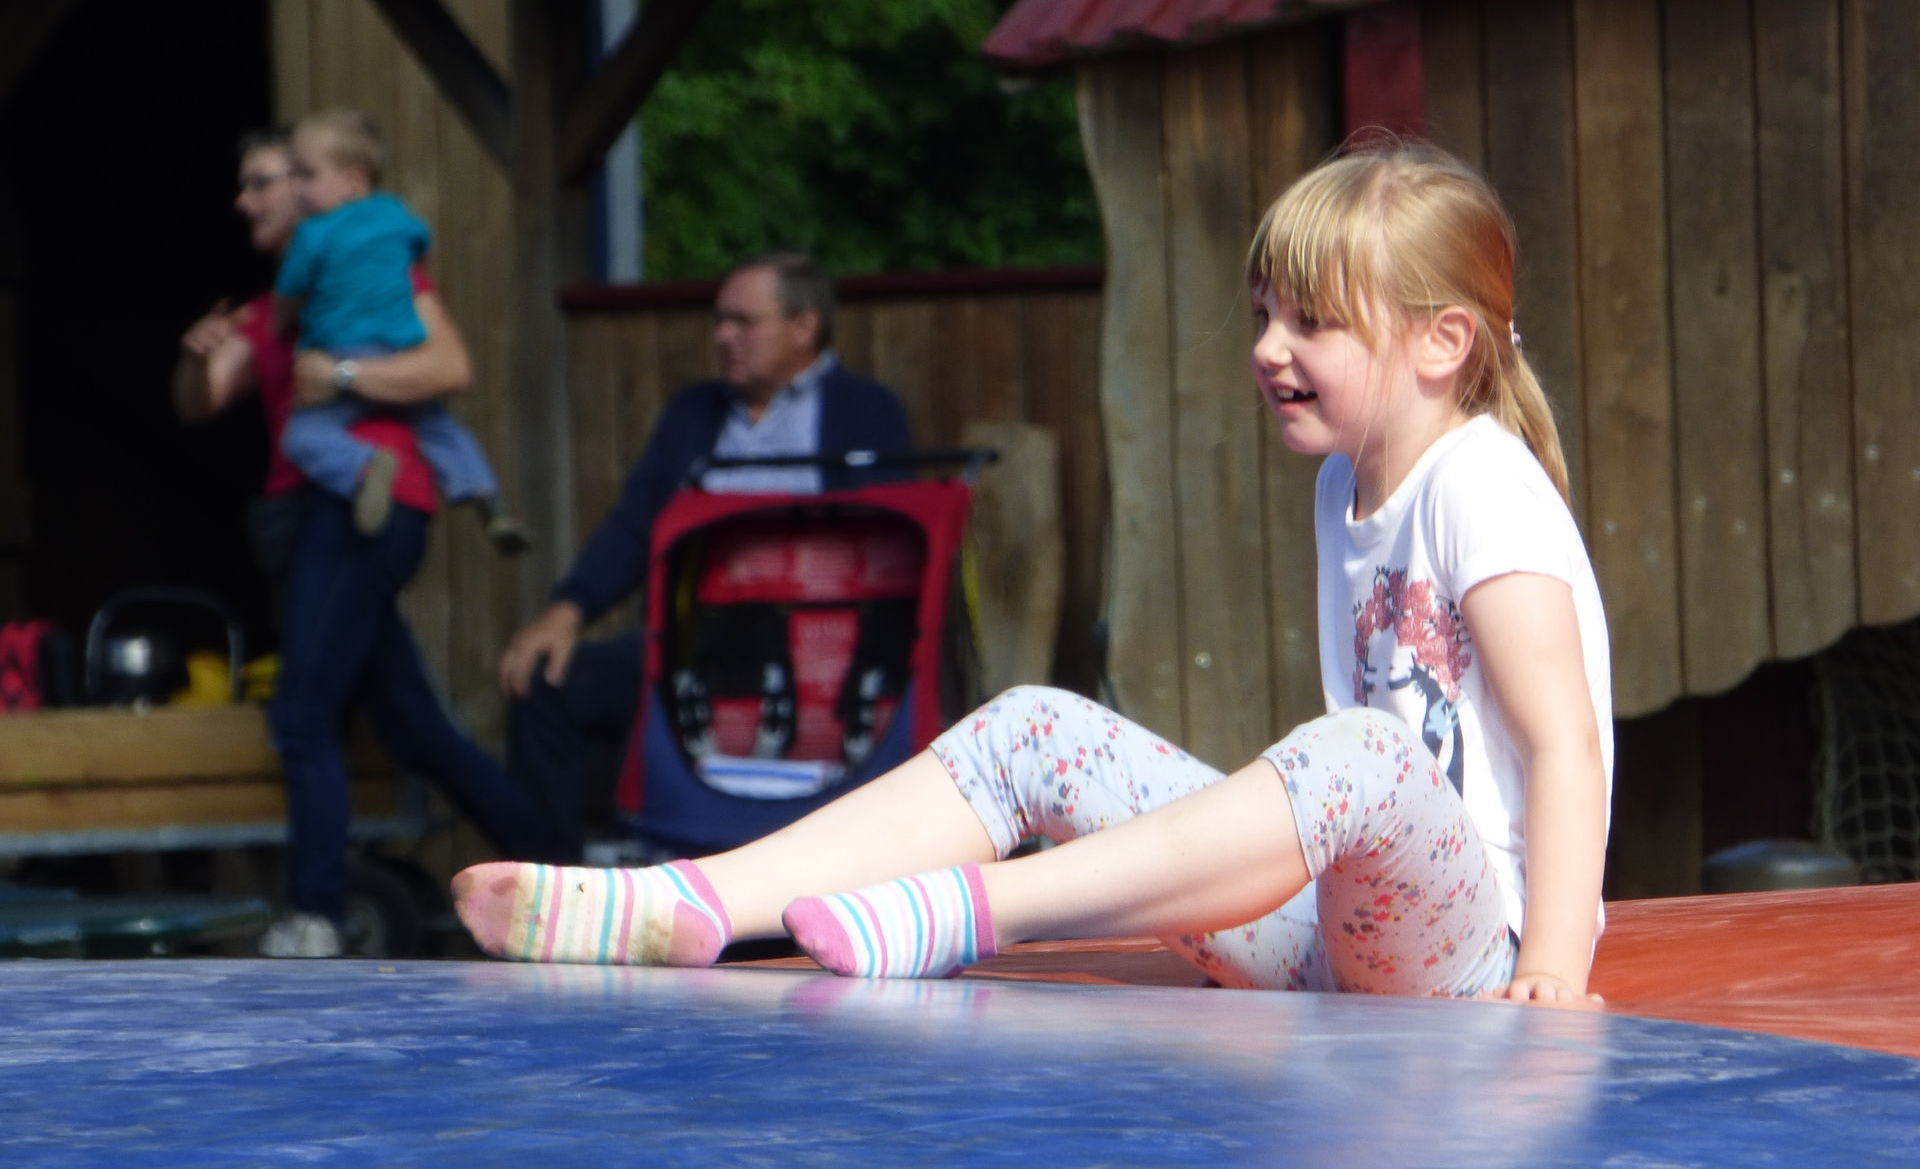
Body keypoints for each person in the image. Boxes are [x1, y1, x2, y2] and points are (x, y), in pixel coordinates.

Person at [455, 141, 1613, 1002]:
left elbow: (1565, 745)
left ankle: (968, 910)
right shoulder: (1341, 485)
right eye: (1263, 314)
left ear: (1442, 341)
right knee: (1030, 728)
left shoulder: (1480, 481)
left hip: (1474, 955)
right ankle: (698, 899)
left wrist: (1553, 970)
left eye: (1311, 323)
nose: (1268, 348)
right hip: (1333, 944)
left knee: (1364, 752)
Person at [174, 128, 566, 958]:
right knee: (416, 732)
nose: (248, 199)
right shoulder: (270, 309)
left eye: (267, 181)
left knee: (302, 714)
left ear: (314, 191)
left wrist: (344, 377)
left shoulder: (381, 271)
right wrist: (193, 353)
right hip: (306, 521)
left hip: (354, 506)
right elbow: (199, 401)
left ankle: (317, 912)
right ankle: (567, 871)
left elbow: (449, 367)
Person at [499, 251, 914, 862]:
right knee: (544, 683)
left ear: (804, 326)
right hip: (688, 652)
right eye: (720, 320)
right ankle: (554, 887)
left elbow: (888, 552)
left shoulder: (867, 412)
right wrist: (569, 608)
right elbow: (637, 523)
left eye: (744, 322)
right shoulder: (694, 412)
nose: (723, 336)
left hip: (820, 657)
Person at [274, 108, 527, 551]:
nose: (295, 185)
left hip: (343, 352)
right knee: (440, 427)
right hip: (400, 348)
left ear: (353, 180)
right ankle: (488, 498)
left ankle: (364, 466)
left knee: (302, 436)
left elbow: (289, 292)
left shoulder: (313, 234)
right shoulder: (394, 214)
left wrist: (281, 319)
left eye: (306, 174)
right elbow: (421, 241)